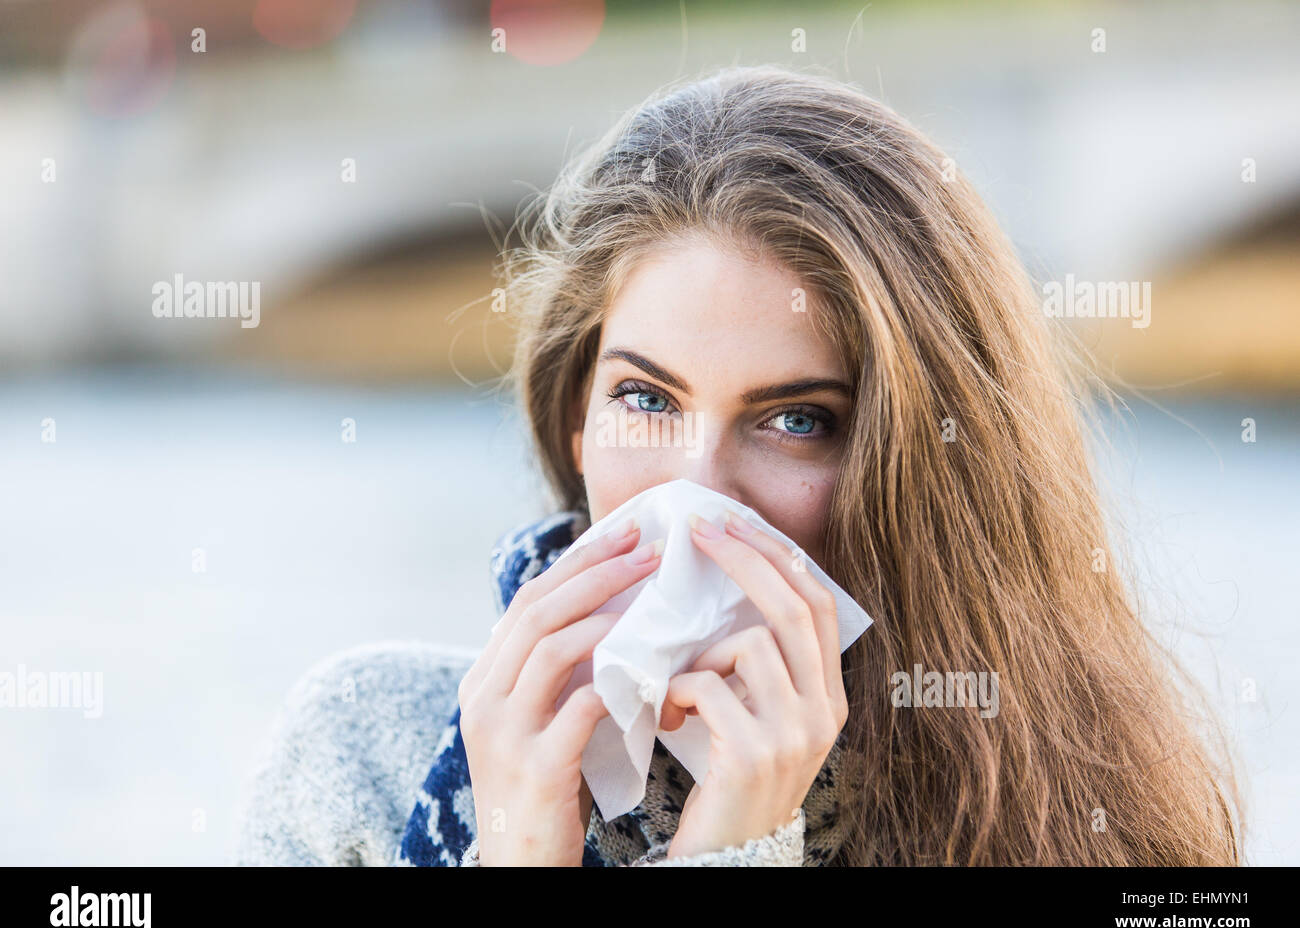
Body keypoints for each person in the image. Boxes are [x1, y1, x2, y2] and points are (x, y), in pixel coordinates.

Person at [233, 64, 1242, 867]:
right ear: (575, 422)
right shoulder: (361, 754)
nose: (697, 490)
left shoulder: (1071, 814)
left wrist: (737, 844)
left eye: (796, 418)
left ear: (925, 468)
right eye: (645, 397)